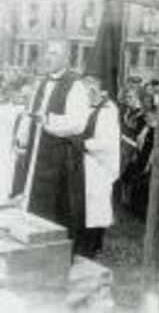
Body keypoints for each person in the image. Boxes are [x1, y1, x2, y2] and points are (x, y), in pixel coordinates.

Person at [11, 40, 90, 253]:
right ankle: (35, 248)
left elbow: (78, 122)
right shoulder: (42, 83)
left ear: (66, 58)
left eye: (54, 54)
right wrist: (23, 139)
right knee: (34, 199)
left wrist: (47, 120)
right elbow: (30, 112)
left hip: (60, 156)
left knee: (59, 204)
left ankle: (58, 254)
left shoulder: (76, 85)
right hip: (38, 153)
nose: (48, 57)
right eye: (47, 53)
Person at [80, 76, 120, 257]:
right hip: (86, 162)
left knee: (97, 205)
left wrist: (82, 144)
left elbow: (105, 143)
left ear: (99, 91)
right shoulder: (87, 107)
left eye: (91, 90)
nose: (87, 94)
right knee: (87, 204)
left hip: (100, 164)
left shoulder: (107, 111)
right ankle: (86, 242)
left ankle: (93, 245)